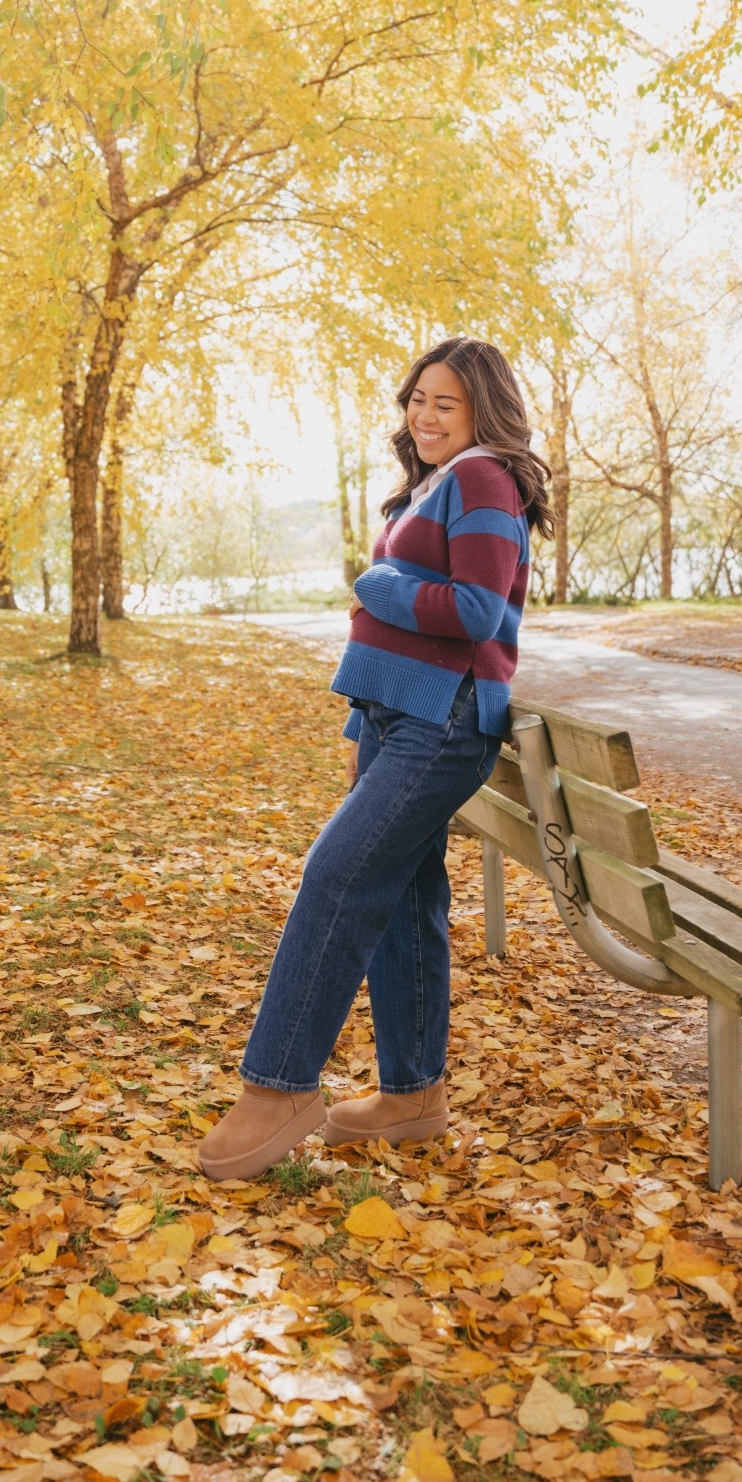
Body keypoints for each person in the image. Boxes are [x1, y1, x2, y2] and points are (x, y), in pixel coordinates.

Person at [196, 336, 552, 1180]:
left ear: (482, 411)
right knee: (401, 895)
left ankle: (280, 1087)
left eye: (445, 403)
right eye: (416, 399)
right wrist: (366, 734)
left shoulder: (483, 477)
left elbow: (474, 611)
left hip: (447, 722)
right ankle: (412, 1096)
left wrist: (379, 584)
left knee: (335, 878)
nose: (422, 416)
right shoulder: (430, 486)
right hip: (407, 722)